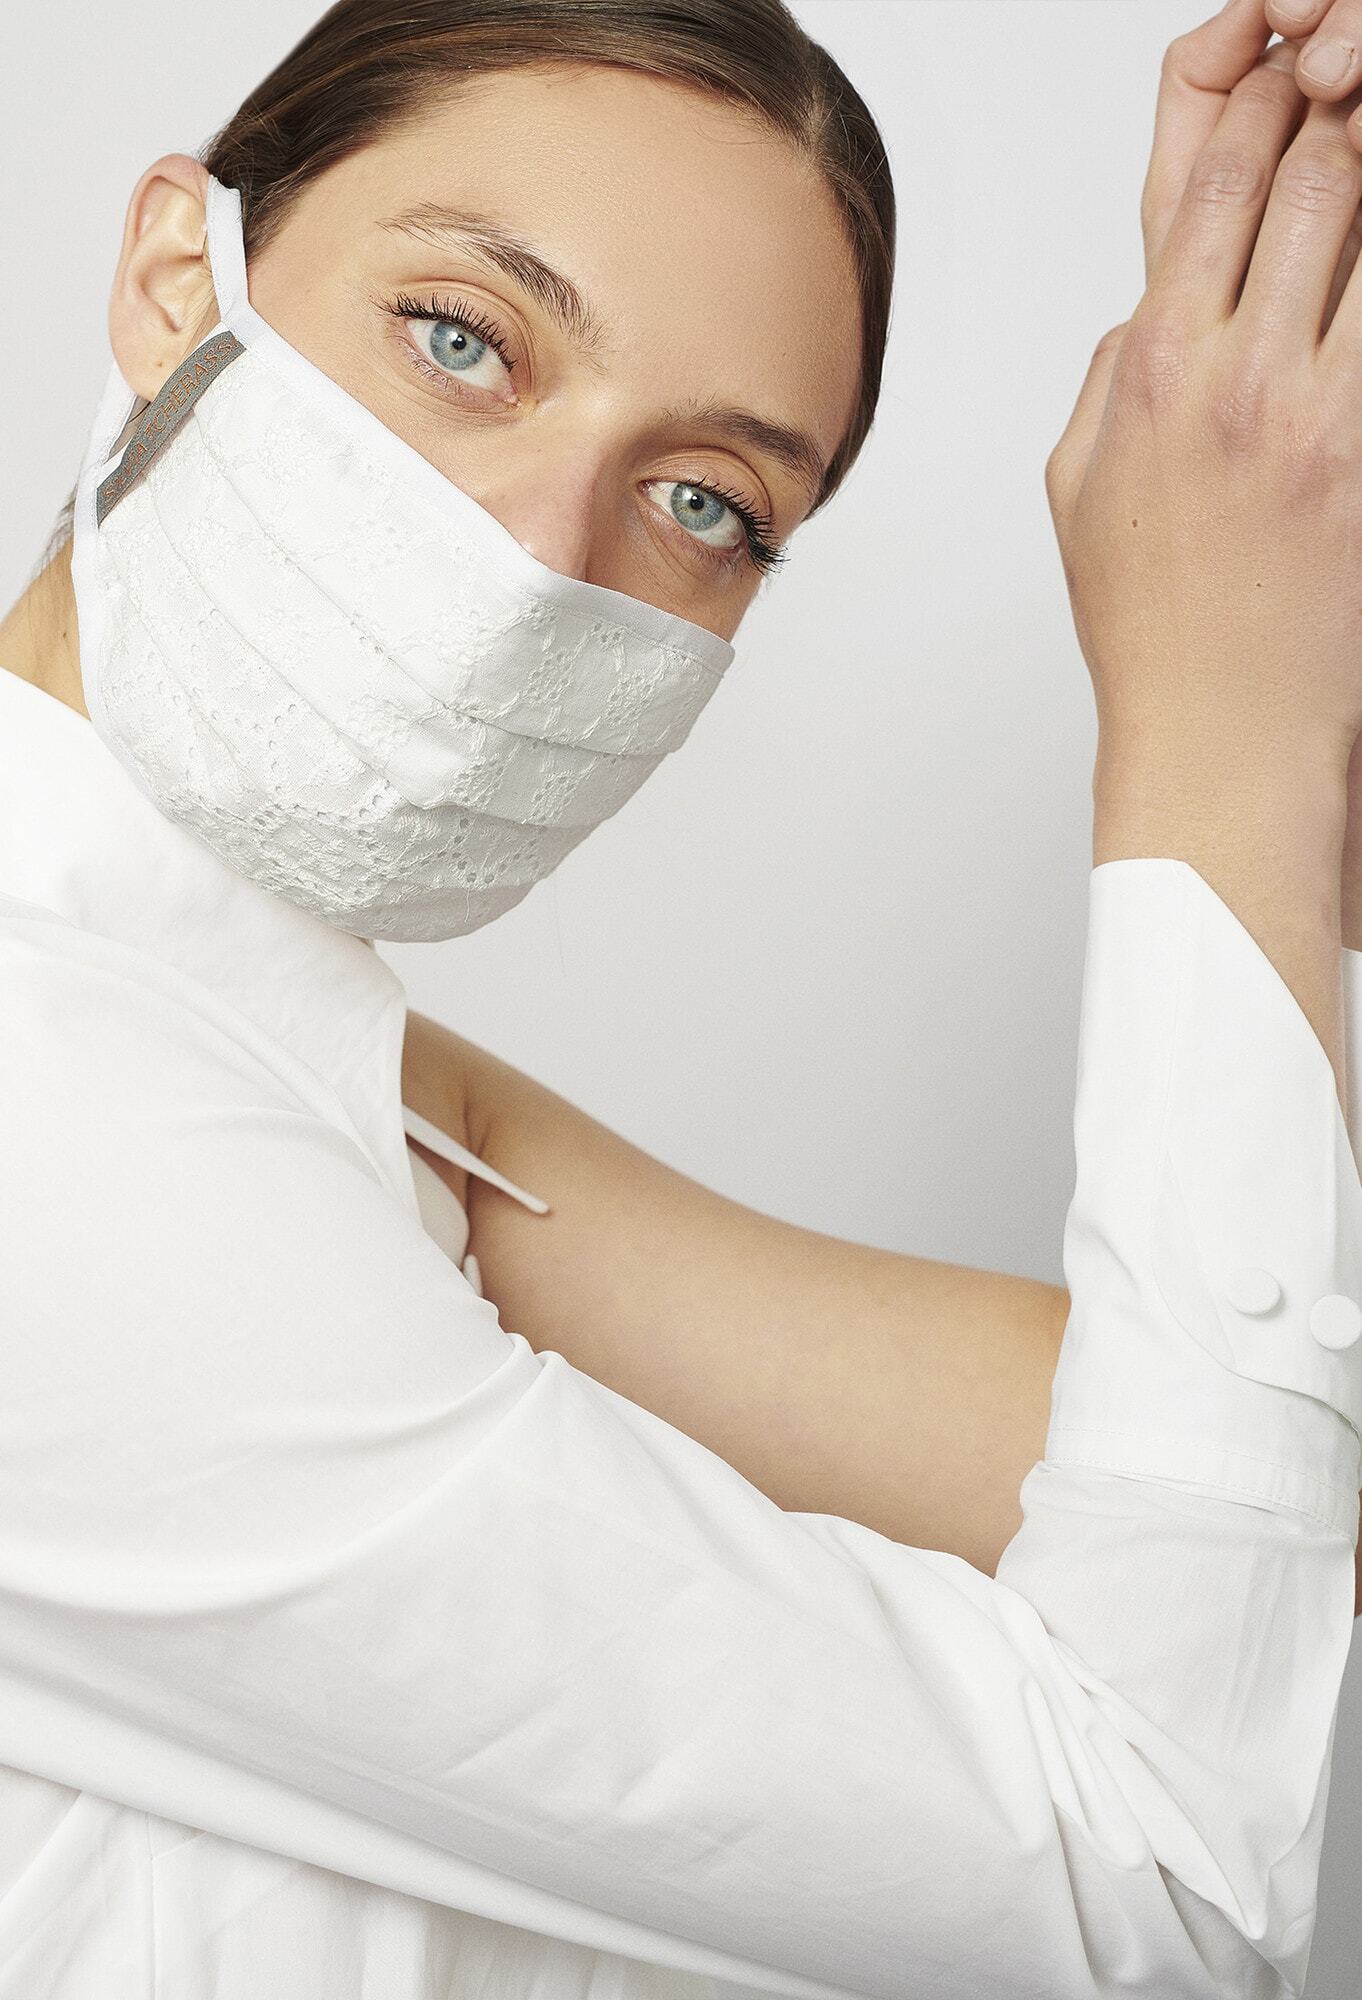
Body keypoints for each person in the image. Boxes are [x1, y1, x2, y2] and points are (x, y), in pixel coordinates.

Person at [2, 0, 1362, 1992]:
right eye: (464, 339)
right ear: (175, 275)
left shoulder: (256, 1046)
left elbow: (1226, 1477)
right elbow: (1156, 1870)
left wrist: (1284, 596)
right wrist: (1214, 728)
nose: (540, 551)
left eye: (711, 500)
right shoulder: (55, 1121)